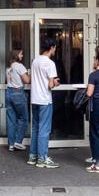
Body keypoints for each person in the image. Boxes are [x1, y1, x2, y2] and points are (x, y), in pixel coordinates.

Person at [28, 37, 60, 169]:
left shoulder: (35, 60)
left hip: (34, 99)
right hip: (45, 100)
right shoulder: (50, 63)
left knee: (35, 128)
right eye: (55, 47)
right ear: (52, 47)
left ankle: (32, 156)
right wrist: (56, 82)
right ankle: (42, 158)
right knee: (44, 130)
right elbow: (51, 85)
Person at [5, 48, 31, 152]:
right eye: (21, 54)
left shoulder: (8, 67)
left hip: (9, 93)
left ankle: (11, 144)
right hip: (18, 93)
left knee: (11, 120)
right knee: (23, 119)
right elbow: (27, 80)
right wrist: (33, 74)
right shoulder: (19, 66)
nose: (22, 56)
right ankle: (18, 142)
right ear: (16, 55)